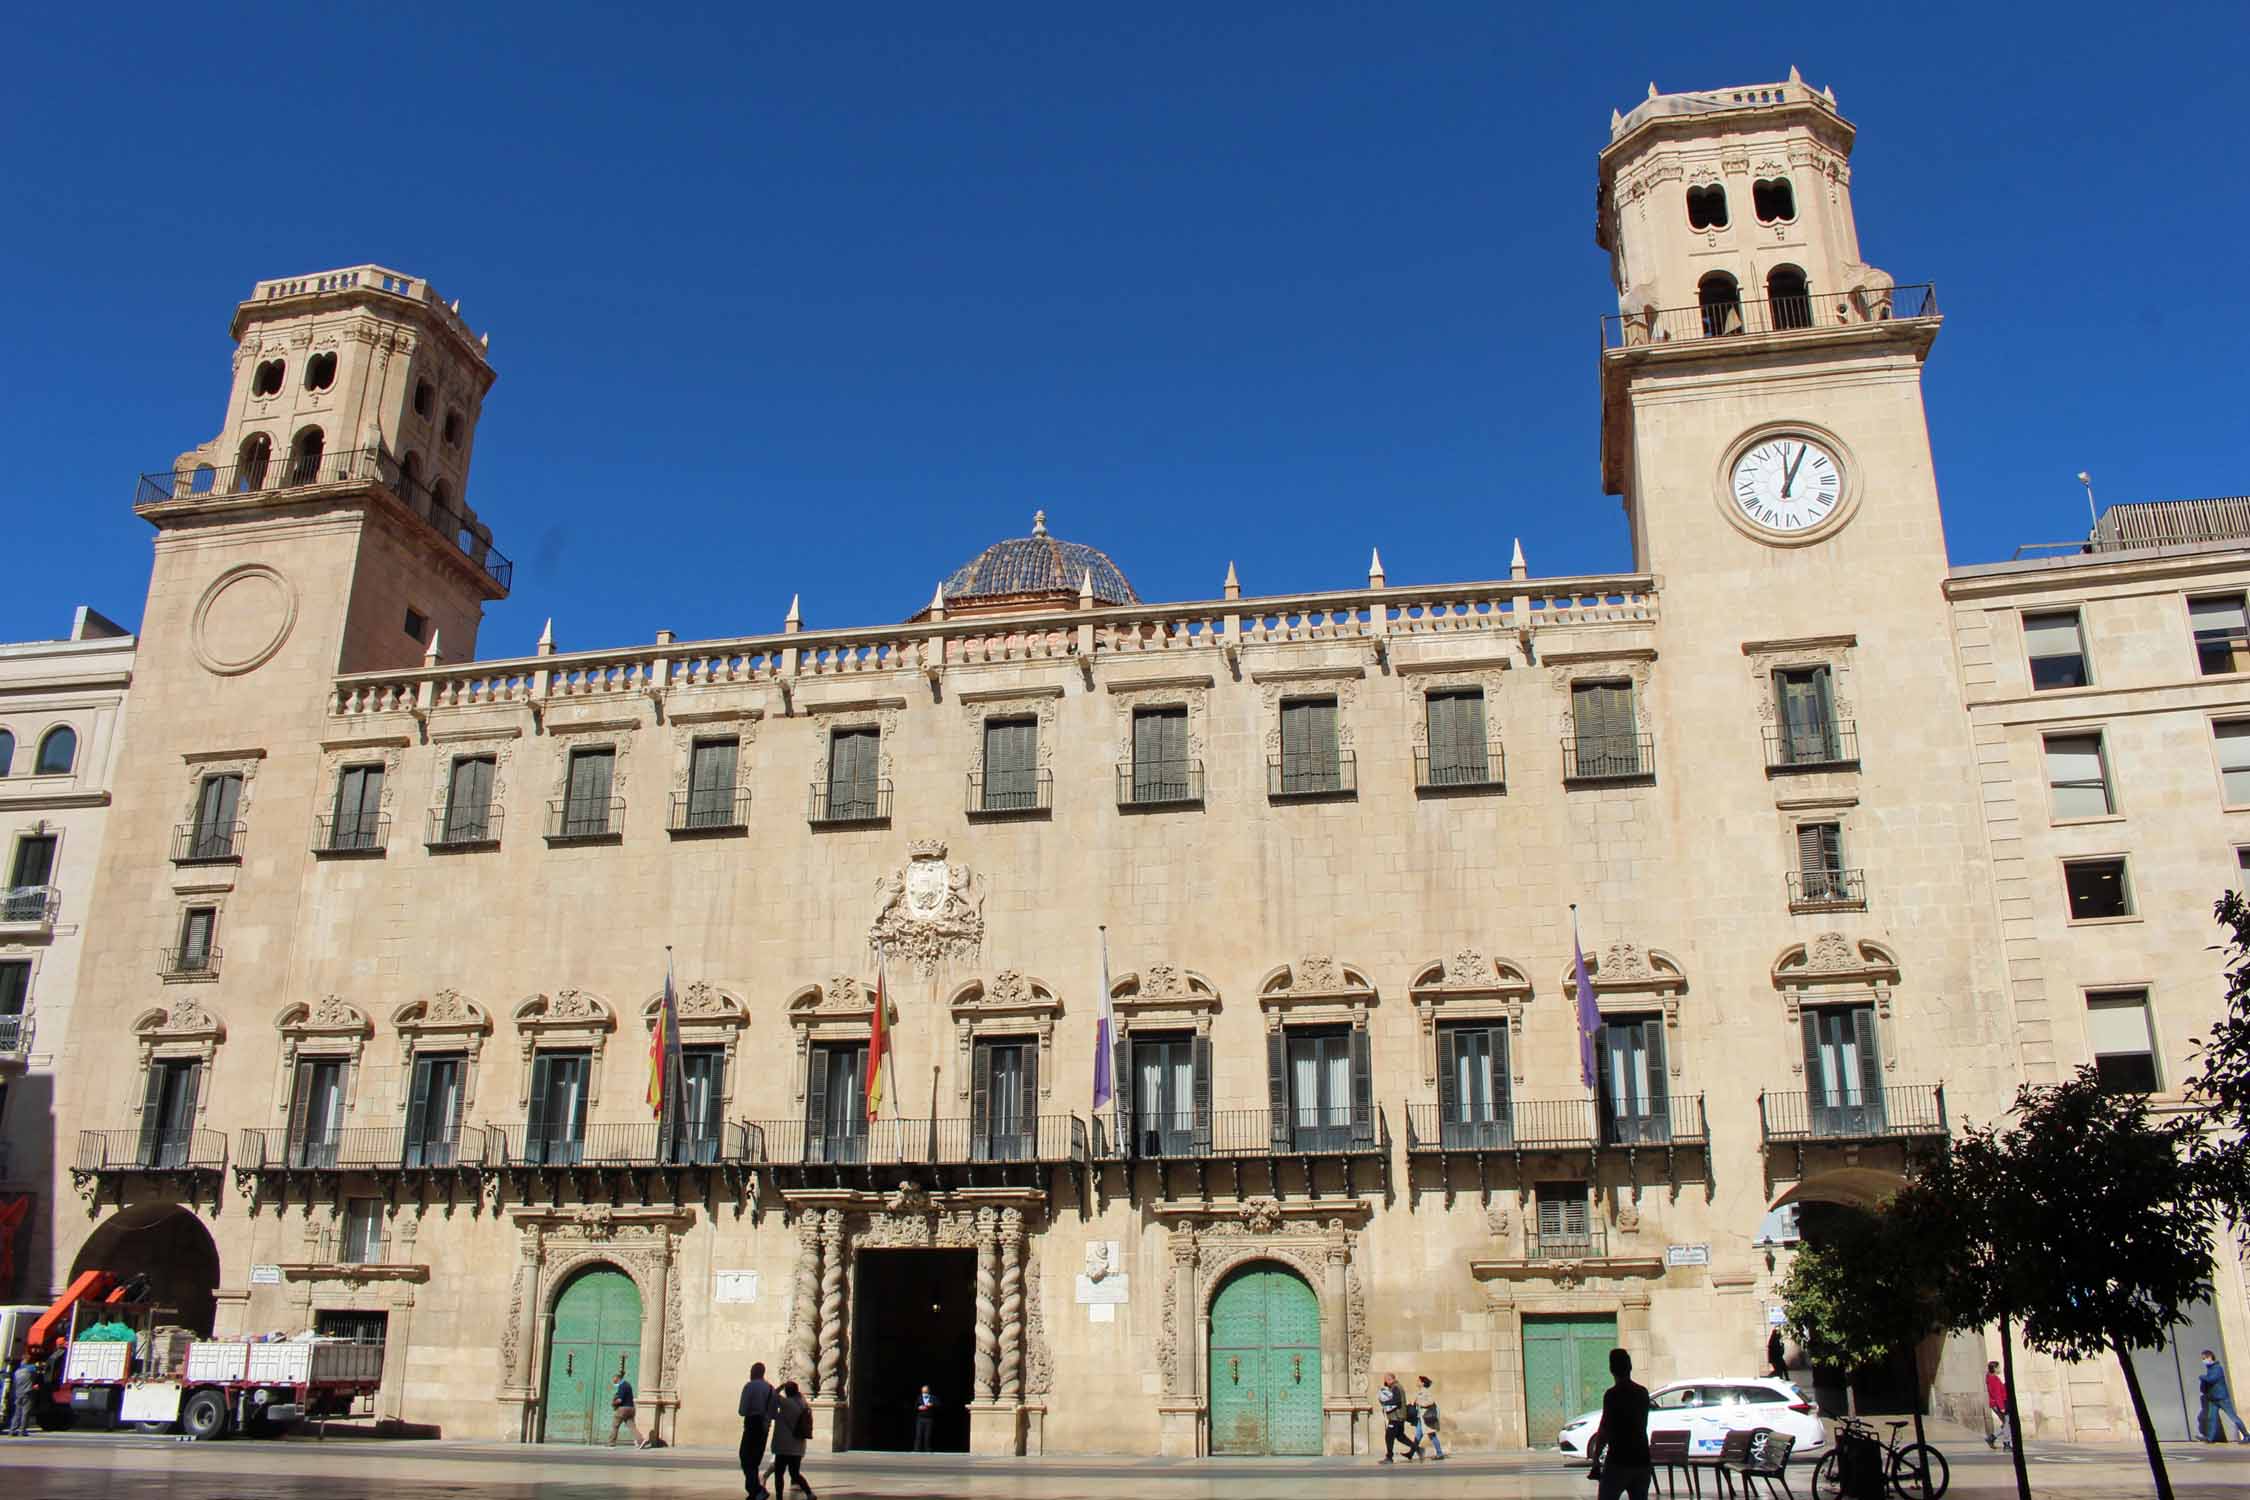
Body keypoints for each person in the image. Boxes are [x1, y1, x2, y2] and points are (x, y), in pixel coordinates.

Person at [1587, 1348, 1652, 1500]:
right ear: (1630, 1367)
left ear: (1611, 1370)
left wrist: (1596, 1459)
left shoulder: (1612, 1395)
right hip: (1642, 1460)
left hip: (1618, 1460)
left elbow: (1605, 1429)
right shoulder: (1642, 1393)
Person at [768, 1379, 816, 1498]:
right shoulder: (803, 1404)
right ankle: (809, 1493)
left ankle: (779, 1496)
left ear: (787, 1392)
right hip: (797, 1446)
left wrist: (781, 1387)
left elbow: (772, 1395)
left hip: (784, 1446)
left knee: (779, 1473)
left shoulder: (785, 1403)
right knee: (795, 1473)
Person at [738, 1360, 778, 1497]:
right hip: (764, 1428)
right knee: (754, 1460)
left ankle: (756, 1490)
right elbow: (774, 1413)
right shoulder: (771, 1389)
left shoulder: (749, 1387)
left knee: (745, 1457)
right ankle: (755, 1491)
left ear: (753, 1372)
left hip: (751, 1425)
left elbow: (742, 1410)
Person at [2201, 1350, 2249, 1444]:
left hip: (2222, 1398)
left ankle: (2247, 1435)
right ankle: (2210, 1438)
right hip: (2213, 1399)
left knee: (2233, 1417)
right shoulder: (2210, 1368)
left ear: (2210, 1357)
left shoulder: (2217, 1368)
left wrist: (2203, 1377)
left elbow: (2212, 1379)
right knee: (2212, 1418)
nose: (2203, 1361)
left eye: (2204, 1358)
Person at [1378, 1372, 1418, 1462]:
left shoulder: (1396, 1387)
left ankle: (1389, 1457)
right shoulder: (1396, 1386)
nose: (1385, 1382)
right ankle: (1418, 1449)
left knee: (1389, 1436)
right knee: (1400, 1436)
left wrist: (1385, 1402)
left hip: (1396, 1417)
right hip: (1399, 1416)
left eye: (1385, 1380)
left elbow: (1397, 1400)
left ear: (1389, 1379)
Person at [608, 1363, 646, 1449]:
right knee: (632, 1426)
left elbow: (620, 1400)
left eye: (615, 1381)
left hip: (623, 1409)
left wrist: (613, 1403)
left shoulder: (622, 1386)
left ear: (618, 1379)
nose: (614, 1383)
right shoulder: (628, 1385)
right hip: (631, 1408)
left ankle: (611, 1443)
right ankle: (641, 1440)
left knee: (615, 1425)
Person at [1413, 1375, 1445, 1459]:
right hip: (1421, 1417)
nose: (1417, 1382)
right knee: (1417, 1436)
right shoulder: (1420, 1391)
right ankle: (1411, 1453)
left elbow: (1431, 1402)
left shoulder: (1426, 1391)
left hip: (1426, 1417)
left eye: (1418, 1381)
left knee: (1432, 1435)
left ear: (1422, 1383)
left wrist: (1420, 1404)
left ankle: (1440, 1453)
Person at [1983, 1361, 2012, 1450]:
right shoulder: (1994, 1379)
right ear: (1995, 1369)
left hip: (1996, 1403)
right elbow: (1997, 1394)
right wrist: (2002, 1407)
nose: (2000, 1369)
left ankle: (1992, 1438)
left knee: (2006, 1423)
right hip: (1998, 1404)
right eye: (1998, 1367)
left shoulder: (1991, 1378)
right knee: (2007, 1423)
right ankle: (2006, 1443)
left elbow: (1999, 1390)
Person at [5, 1356, 35, 1437]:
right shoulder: (30, 1370)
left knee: (17, 1413)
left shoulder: (17, 1372)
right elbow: (35, 1369)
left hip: (18, 1393)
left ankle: (12, 1430)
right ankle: (22, 1431)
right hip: (27, 1393)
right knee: (25, 1413)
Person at [912, 1384, 937, 1452]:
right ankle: (917, 1450)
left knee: (928, 1435)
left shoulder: (933, 1398)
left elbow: (939, 1405)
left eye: (926, 1392)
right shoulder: (919, 1397)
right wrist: (918, 1407)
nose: (924, 1393)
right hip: (920, 1418)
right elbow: (915, 1406)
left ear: (929, 1391)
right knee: (918, 1434)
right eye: (923, 1392)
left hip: (929, 1418)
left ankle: (928, 1449)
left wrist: (932, 1404)